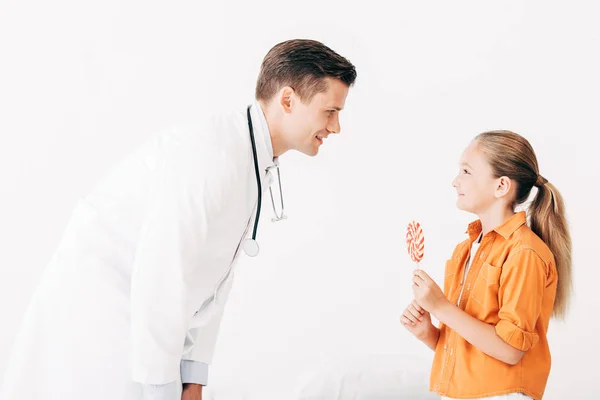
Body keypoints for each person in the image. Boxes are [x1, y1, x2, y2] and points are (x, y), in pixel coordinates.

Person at [1, 39, 356, 400]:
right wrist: (163, 388)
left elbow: (212, 282)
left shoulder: (248, 158)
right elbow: (162, 273)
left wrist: (193, 377)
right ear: (287, 100)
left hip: (139, 325)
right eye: (330, 111)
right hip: (99, 314)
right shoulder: (212, 157)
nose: (337, 127)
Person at [401, 130, 572, 400]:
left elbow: (510, 350)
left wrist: (440, 307)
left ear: (501, 186)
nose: (455, 181)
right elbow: (473, 351)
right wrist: (429, 333)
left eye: (467, 171)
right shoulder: (465, 250)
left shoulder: (524, 252)